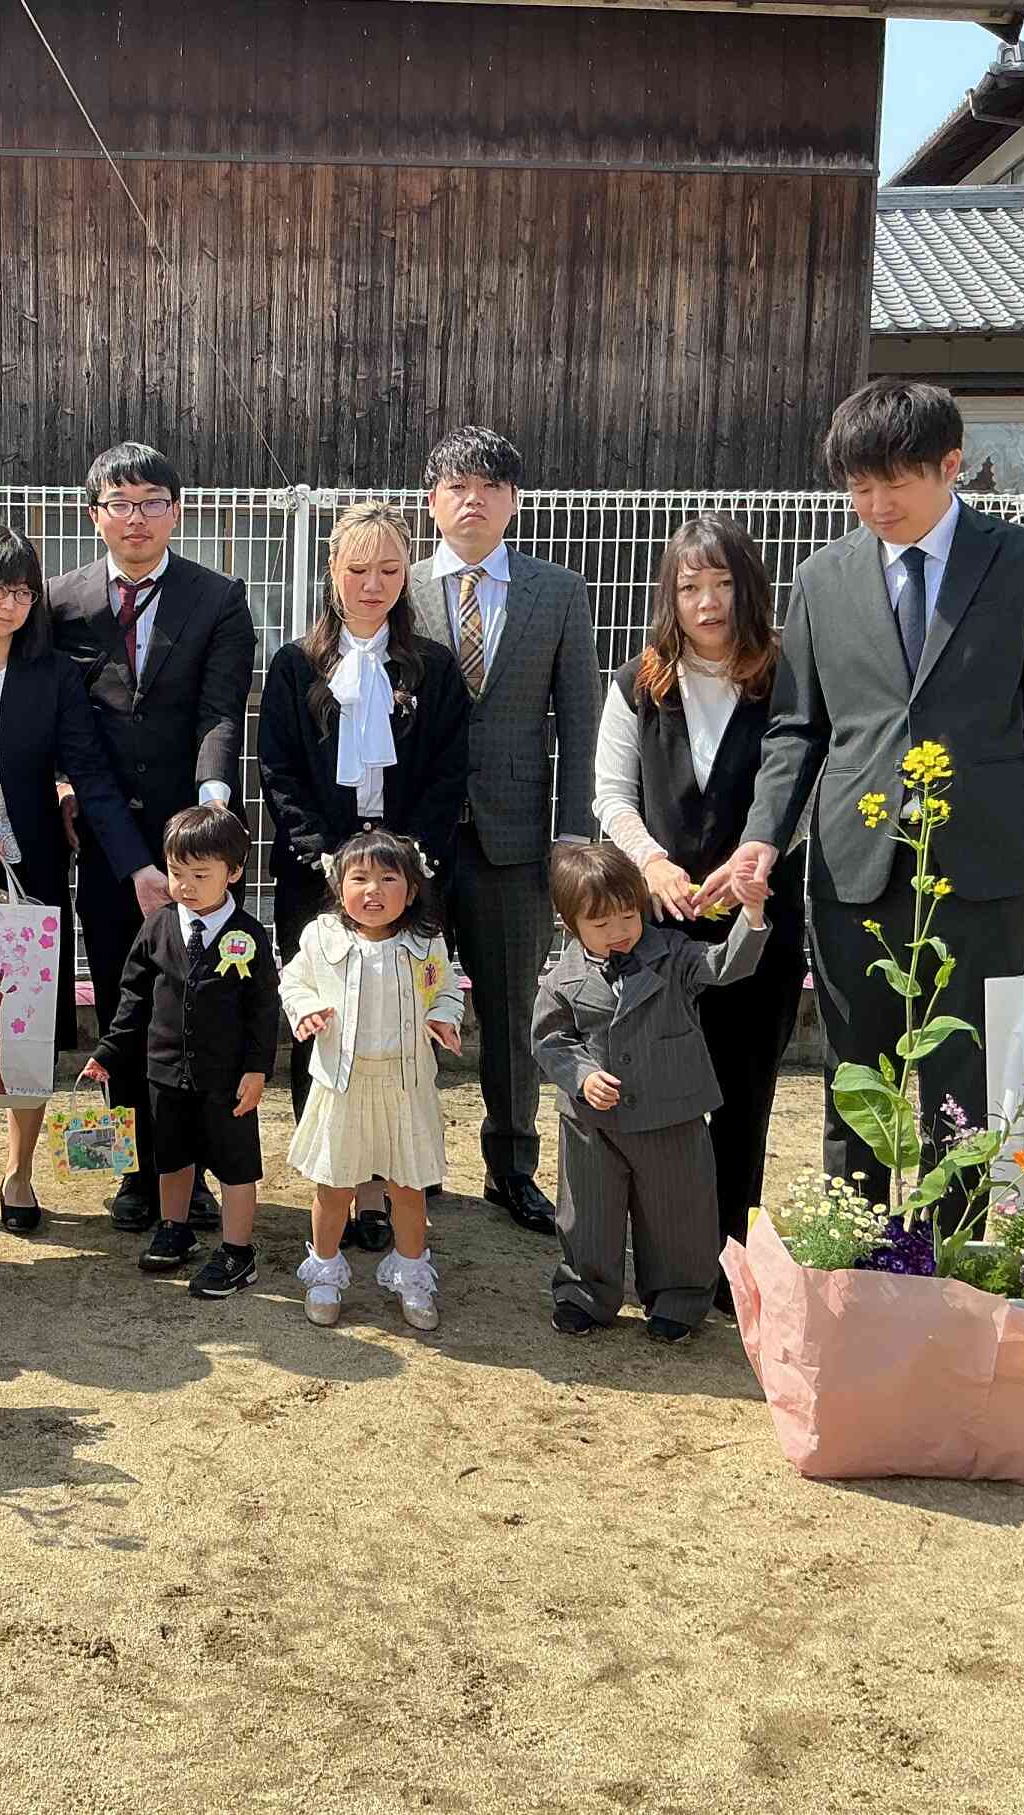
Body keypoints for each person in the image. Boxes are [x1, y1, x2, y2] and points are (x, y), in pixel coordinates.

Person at [702, 379, 1024, 1213]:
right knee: (858, 1084)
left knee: (964, 1086)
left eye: (895, 483)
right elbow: (796, 729)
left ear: (951, 466)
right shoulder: (824, 578)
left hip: (984, 868)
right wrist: (763, 835)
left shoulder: (1022, 563)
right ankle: (860, 1266)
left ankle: (949, 1272)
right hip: (852, 868)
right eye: (858, 486)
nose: (875, 504)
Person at [0, 524, 152, 1233]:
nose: (10, 603)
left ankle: (19, 1171)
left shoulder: (52, 675)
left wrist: (136, 863)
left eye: (22, 590)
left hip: (30, 878)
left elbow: (93, 774)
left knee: (27, 1024)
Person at [594, 514, 806, 1315]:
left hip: (759, 923)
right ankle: (661, 1255)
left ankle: (733, 1264)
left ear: (747, 587)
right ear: (669, 598)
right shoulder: (638, 680)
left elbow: (808, 784)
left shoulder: (788, 676)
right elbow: (610, 791)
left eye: (721, 583)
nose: (707, 602)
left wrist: (757, 858)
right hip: (658, 930)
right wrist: (650, 863)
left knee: (744, 1093)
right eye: (689, 587)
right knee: (656, 1092)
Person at [50, 442, 255, 1236]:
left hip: (191, 845)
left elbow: (220, 710)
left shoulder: (218, 598)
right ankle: (136, 1169)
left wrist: (206, 814)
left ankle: (191, 1171)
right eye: (118, 502)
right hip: (105, 840)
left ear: (177, 508)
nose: (135, 517)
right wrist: (131, 855)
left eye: (151, 501)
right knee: (125, 1004)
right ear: (93, 512)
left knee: (198, 1010)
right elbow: (72, 737)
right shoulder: (61, 601)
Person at [257, 499, 470, 1252]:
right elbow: (278, 770)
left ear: (404, 574)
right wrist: (324, 853)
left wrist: (407, 860)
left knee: (397, 1028)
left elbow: (448, 770)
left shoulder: (433, 668)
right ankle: (333, 1184)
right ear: (331, 571)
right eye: (356, 568)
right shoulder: (293, 666)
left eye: (387, 569)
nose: (372, 584)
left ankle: (385, 1189)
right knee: (322, 1019)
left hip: (407, 875)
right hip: (318, 873)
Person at [407, 428, 601, 1236]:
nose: (472, 500)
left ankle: (512, 1166)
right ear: (432, 503)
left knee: (518, 1012)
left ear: (514, 501)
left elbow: (581, 722)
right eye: (456, 487)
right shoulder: (399, 584)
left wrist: (573, 838)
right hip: (413, 841)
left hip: (518, 838)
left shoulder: (557, 591)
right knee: (403, 1001)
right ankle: (404, 1167)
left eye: (489, 486)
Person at [531, 842, 766, 1343]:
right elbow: (551, 1039)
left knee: (679, 1210)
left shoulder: (674, 953)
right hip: (592, 1122)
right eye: (601, 924)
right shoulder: (561, 978)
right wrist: (581, 1076)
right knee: (586, 1214)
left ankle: (679, 1298)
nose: (618, 932)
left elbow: (727, 966)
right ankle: (583, 1294)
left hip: (672, 1111)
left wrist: (752, 912)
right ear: (569, 924)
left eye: (627, 916)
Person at [81, 805, 278, 1298]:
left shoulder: (249, 936)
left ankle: (238, 1250)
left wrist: (257, 1069)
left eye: (200, 874)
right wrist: (108, 1050)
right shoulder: (158, 926)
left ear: (233, 873)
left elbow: (262, 1010)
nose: (185, 884)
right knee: (169, 1156)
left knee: (235, 1163)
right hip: (165, 1071)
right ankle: (175, 1228)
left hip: (226, 1076)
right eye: (175, 872)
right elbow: (133, 997)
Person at [280, 830, 465, 1332]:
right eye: (359, 878)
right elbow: (293, 981)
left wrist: (444, 1017)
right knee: (335, 1184)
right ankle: (324, 1273)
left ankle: (412, 1275)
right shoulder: (321, 936)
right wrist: (305, 1010)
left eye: (388, 878)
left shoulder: (427, 942)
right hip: (342, 1084)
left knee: (407, 1186)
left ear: (412, 887)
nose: (373, 890)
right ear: (339, 886)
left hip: (405, 1084)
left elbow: (446, 991)